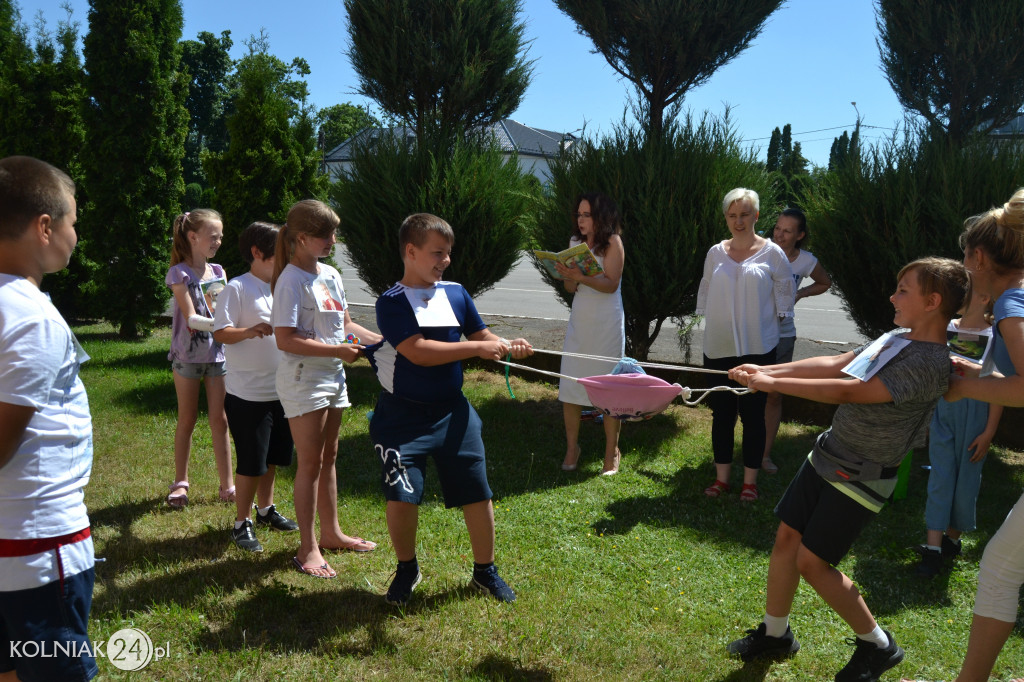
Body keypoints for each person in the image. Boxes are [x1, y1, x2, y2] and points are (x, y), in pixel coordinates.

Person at [724, 257, 968, 682]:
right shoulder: (897, 338)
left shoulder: (930, 362)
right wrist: (767, 370)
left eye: (903, 290)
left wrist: (775, 384)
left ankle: (879, 645)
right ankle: (776, 634)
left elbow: (852, 391)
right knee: (787, 539)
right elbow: (839, 363)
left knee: (812, 562)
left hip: (862, 474)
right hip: (830, 453)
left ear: (932, 302)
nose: (892, 297)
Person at [363, 213, 533, 605]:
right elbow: (418, 351)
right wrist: (477, 348)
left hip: (453, 413)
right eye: (437, 252)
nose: (446, 260)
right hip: (402, 417)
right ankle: (407, 568)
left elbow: (481, 334)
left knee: (477, 490)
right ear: (411, 251)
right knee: (401, 495)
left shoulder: (455, 292)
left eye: (448, 252)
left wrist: (506, 344)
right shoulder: (391, 302)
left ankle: (485, 572)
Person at [0, 156, 97, 681]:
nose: (75, 235)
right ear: (44, 227)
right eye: (73, 221)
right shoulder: (30, 315)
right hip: (38, 548)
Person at [271, 199, 381, 579]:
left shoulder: (330, 274)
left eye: (334, 233)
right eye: (327, 235)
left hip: (333, 375)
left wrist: (385, 342)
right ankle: (307, 548)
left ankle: (331, 534)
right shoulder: (290, 281)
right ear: (302, 238)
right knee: (310, 463)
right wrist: (337, 350)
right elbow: (285, 339)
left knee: (328, 457)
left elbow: (346, 325)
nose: (334, 241)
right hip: (304, 379)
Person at [944, 188, 1024, 682]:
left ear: (978, 257)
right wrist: (977, 377)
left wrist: (964, 387)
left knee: (999, 568)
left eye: (964, 258)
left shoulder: (1013, 301)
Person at [696, 188, 794, 501]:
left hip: (758, 347)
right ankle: (721, 478)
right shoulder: (715, 252)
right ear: (726, 218)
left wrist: (780, 317)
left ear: (756, 215)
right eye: (732, 215)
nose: (738, 221)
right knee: (721, 414)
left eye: (744, 214)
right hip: (718, 346)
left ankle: (750, 482)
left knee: (753, 416)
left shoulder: (772, 253)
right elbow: (706, 287)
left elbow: (785, 289)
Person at [213, 222, 298, 553]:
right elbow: (221, 332)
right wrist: (250, 331)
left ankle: (265, 510)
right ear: (257, 252)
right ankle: (241, 523)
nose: (286, 257)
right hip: (248, 395)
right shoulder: (237, 288)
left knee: (271, 457)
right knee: (251, 461)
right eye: (280, 252)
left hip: (281, 390)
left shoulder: (282, 287)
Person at [914, 284, 1002, 578]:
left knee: (967, 480)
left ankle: (952, 539)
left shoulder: (996, 335)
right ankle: (933, 548)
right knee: (940, 476)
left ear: (985, 297)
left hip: (977, 417)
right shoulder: (947, 327)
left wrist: (989, 432)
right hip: (943, 411)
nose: (959, 297)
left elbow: (1000, 388)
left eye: (967, 292)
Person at [165, 209, 234, 507]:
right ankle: (181, 483)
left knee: (221, 420)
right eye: (213, 236)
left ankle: (228, 486)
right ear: (193, 237)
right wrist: (230, 328)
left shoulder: (218, 272)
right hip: (188, 358)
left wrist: (233, 326)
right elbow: (192, 318)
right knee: (187, 419)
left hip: (217, 356)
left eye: (220, 236)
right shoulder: (178, 273)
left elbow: (222, 311)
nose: (218, 241)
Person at [556, 193, 626, 475]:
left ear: (601, 217)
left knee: (610, 388)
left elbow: (611, 284)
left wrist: (581, 277)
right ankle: (572, 447)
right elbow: (570, 288)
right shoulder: (575, 243)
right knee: (571, 385)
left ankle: (612, 451)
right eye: (579, 215)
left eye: (587, 215)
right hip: (581, 320)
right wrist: (567, 276)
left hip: (607, 322)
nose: (581, 220)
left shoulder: (613, 242)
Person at [762, 208, 832, 474]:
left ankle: (764, 455)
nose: (779, 235)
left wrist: (799, 293)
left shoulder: (805, 261)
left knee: (773, 396)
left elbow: (824, 282)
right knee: (743, 392)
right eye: (777, 228)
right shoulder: (762, 251)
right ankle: (729, 450)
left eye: (787, 231)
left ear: (800, 235)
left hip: (783, 335)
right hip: (753, 334)